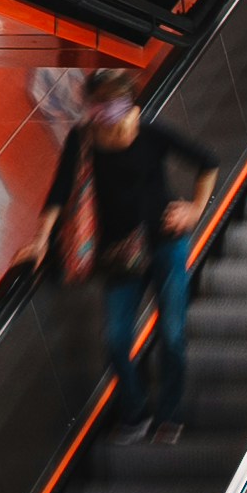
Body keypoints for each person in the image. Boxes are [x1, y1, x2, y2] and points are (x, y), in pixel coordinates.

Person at [50, 84, 218, 443]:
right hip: (119, 255)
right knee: (115, 339)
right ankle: (135, 413)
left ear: (129, 104)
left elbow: (208, 161)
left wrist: (195, 209)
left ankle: (169, 415)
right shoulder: (82, 141)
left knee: (172, 334)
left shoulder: (150, 133)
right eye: (101, 104)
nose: (108, 112)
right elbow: (60, 191)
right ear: (91, 106)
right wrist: (38, 239)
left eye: (116, 103)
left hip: (166, 245)